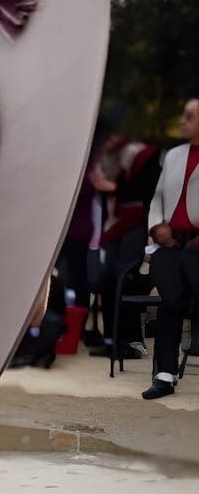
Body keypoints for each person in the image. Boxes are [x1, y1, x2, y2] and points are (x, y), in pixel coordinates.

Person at [88, 129, 161, 360]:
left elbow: (147, 190)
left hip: (134, 223)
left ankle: (129, 342)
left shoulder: (142, 155)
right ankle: (111, 340)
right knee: (108, 280)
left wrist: (113, 189)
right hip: (112, 225)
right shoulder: (106, 159)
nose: (109, 141)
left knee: (125, 279)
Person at [144, 97, 199, 399]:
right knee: (170, 300)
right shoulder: (175, 155)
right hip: (168, 242)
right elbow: (157, 198)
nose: (182, 120)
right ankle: (164, 375)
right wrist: (157, 228)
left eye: (189, 116)